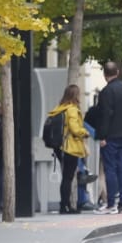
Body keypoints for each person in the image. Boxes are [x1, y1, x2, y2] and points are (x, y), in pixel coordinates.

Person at [85, 62, 122, 213]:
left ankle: (111, 203)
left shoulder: (106, 92)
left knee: (110, 168)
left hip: (110, 135)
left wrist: (102, 136)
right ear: (117, 72)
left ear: (105, 75)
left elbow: (105, 115)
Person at [47, 84, 89, 214]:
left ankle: (64, 205)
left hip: (59, 147)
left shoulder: (59, 108)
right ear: (75, 95)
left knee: (66, 177)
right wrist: (85, 132)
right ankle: (65, 206)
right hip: (70, 147)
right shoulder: (72, 109)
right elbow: (75, 129)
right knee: (68, 178)